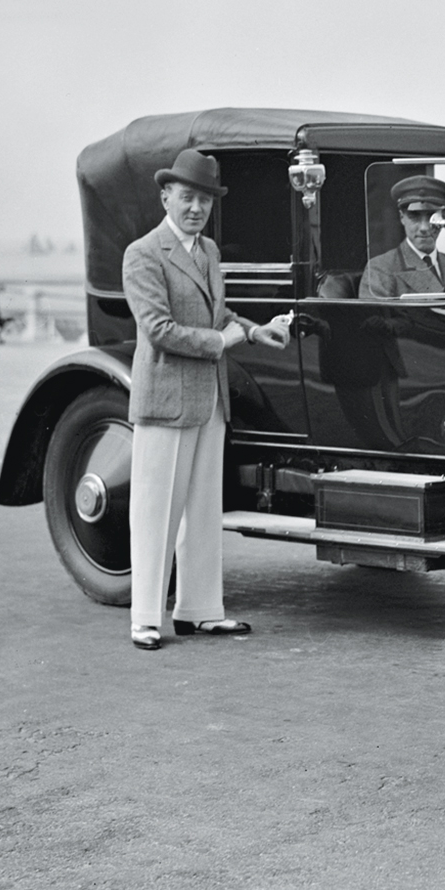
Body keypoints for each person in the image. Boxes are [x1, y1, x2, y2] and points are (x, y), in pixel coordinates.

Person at [122, 148, 289, 651]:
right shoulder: (143, 253)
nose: (196, 208)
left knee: (201, 508)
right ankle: (145, 618)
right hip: (167, 401)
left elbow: (217, 311)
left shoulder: (208, 251)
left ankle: (199, 610)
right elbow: (158, 329)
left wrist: (256, 332)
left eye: (205, 201)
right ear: (165, 196)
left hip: (208, 400)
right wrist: (223, 343)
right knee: (155, 510)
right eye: (187, 197)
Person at [360, 174, 445, 298]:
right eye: (414, 216)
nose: (424, 227)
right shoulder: (381, 269)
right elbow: (374, 317)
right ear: (402, 217)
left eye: (432, 217)